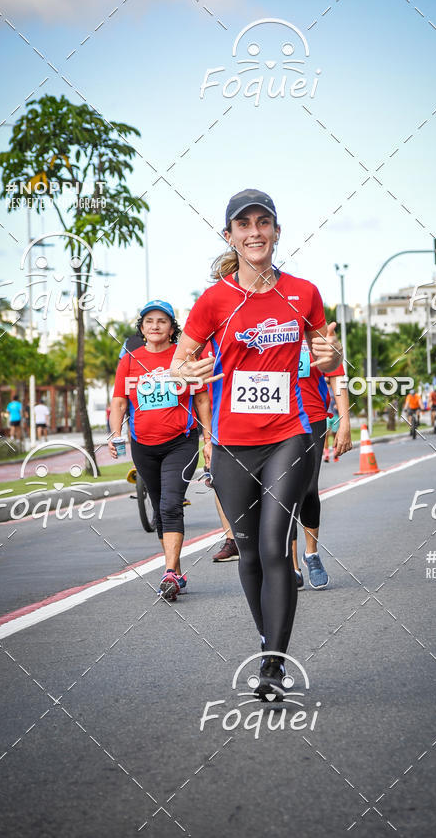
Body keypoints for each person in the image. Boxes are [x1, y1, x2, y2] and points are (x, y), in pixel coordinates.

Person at [171, 188, 341, 700]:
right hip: (231, 443)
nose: (254, 232)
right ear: (230, 236)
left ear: (276, 231)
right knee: (247, 552)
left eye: (262, 222)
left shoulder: (303, 293)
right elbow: (179, 363)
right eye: (243, 225)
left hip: (290, 434)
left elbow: (328, 358)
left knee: (273, 545)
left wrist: (332, 357)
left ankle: (273, 663)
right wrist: (187, 371)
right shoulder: (214, 300)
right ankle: (268, 640)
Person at [109, 299, 210, 599]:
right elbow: (119, 402)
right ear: (141, 328)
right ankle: (175, 572)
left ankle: (168, 573)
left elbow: (201, 399)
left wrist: (209, 440)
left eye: (162, 321)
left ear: (171, 328)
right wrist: (115, 435)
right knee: (159, 510)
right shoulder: (129, 360)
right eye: (149, 321)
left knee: (170, 505)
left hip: (181, 442)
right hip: (143, 447)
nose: (155, 326)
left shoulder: (184, 358)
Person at [291, 340, 351, 589]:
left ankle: (312, 554)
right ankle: (291, 566)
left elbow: (337, 376)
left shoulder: (317, 335)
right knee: (283, 492)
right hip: (276, 418)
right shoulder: (267, 326)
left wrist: (344, 422)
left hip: (312, 416)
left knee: (307, 488)